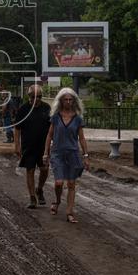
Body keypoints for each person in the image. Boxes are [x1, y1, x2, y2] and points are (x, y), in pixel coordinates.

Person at [42, 87, 89, 223]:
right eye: (65, 100)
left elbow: (81, 138)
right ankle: (57, 201)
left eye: (70, 99)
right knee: (58, 182)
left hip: (73, 153)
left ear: (74, 101)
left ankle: (69, 212)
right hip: (58, 153)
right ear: (61, 101)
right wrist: (46, 153)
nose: (68, 102)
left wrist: (86, 155)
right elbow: (49, 135)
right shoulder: (56, 118)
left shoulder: (77, 118)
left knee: (71, 183)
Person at [14, 84, 51, 208]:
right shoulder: (23, 109)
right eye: (33, 97)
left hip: (43, 146)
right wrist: (17, 146)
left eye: (39, 96)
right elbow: (17, 129)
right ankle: (32, 197)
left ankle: (39, 189)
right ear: (29, 96)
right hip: (28, 146)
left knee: (44, 170)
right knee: (30, 170)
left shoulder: (47, 108)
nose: (37, 99)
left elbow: (52, 128)